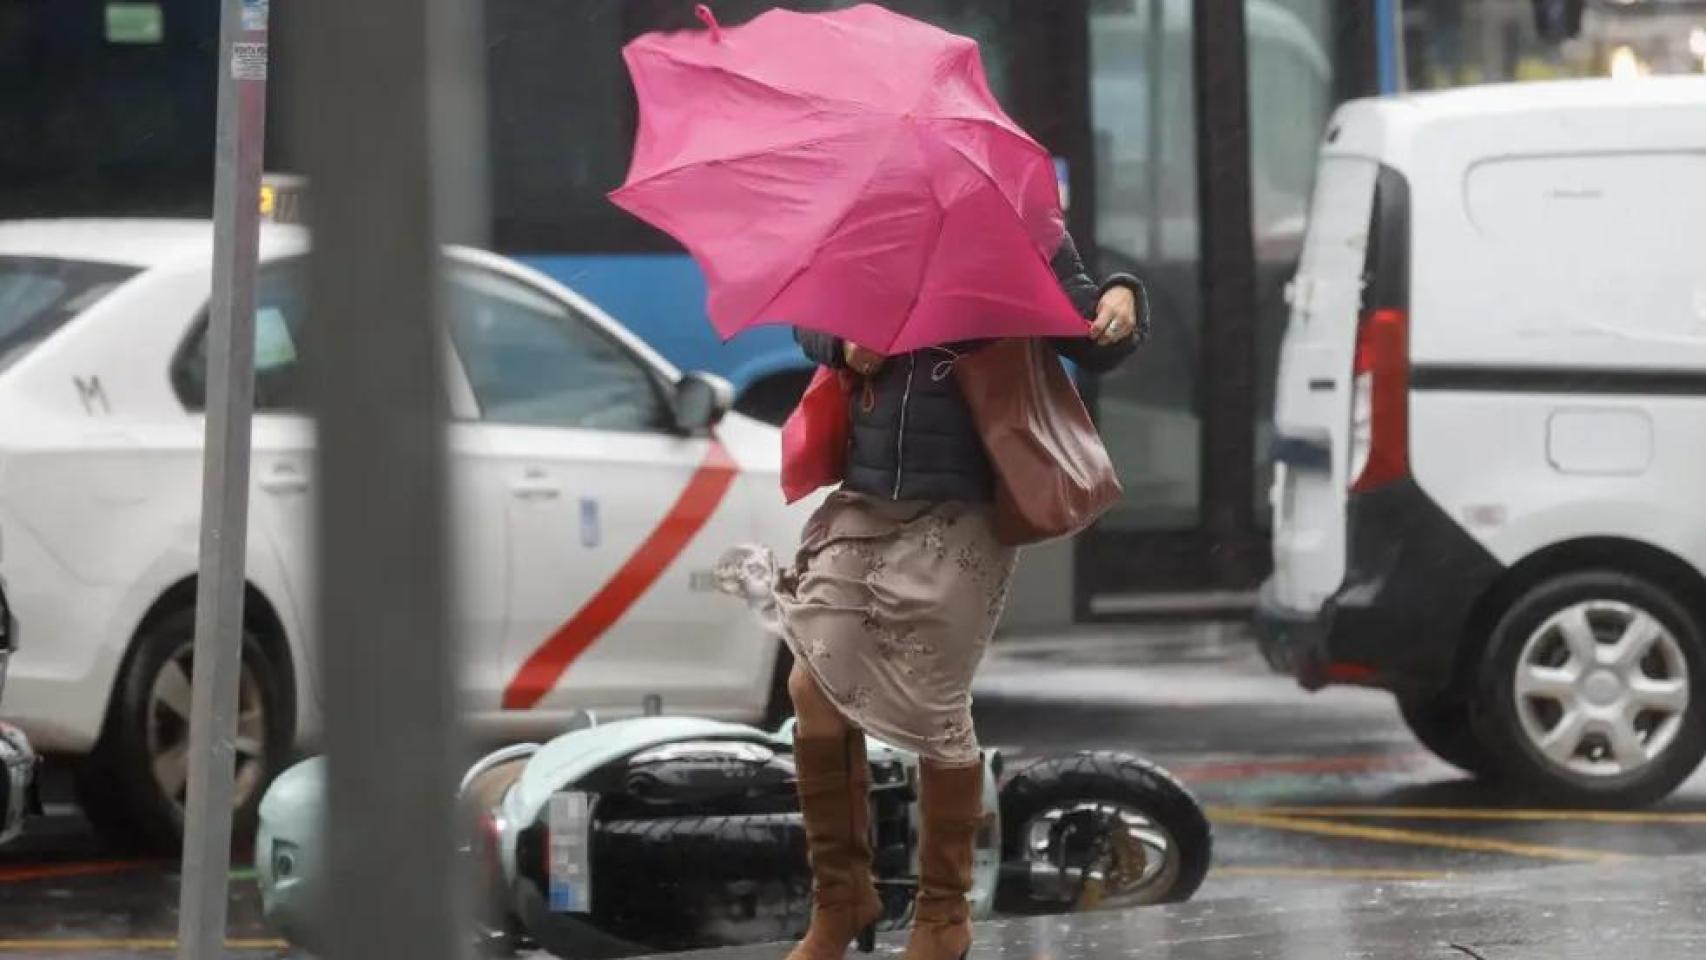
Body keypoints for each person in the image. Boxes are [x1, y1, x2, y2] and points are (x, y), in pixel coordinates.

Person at [722, 231, 1146, 960]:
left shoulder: (1017, 227)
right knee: (812, 691)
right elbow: (809, 319)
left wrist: (1123, 297)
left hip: (967, 507)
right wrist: (842, 344)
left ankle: (943, 916)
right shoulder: (868, 224)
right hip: (865, 495)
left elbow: (1093, 337)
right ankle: (842, 900)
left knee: (933, 705)